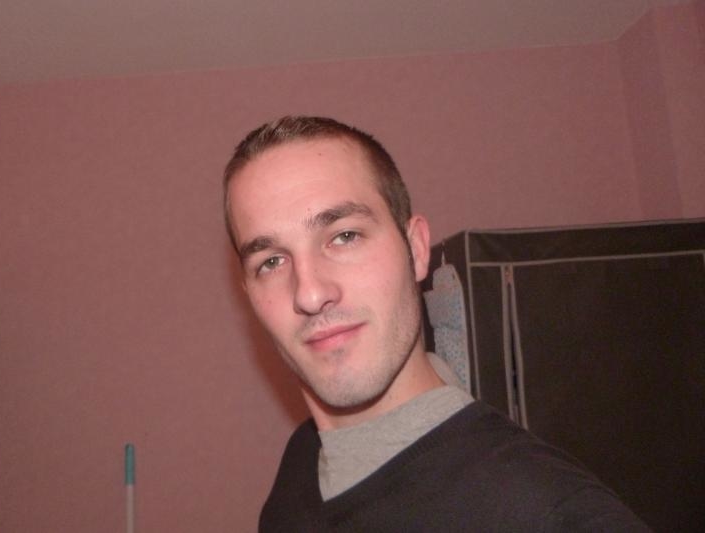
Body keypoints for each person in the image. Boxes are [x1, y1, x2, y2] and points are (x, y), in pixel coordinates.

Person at [223, 116, 649, 532]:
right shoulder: (301, 465)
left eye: (345, 236)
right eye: (271, 262)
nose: (310, 293)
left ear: (416, 249)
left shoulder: (547, 511)